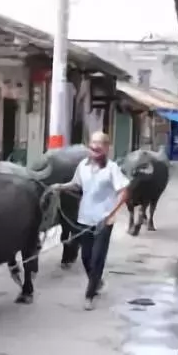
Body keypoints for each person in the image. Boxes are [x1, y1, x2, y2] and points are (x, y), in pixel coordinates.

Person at [50, 132, 130, 310]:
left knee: (97, 258)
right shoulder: (83, 166)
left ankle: (90, 295)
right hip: (84, 218)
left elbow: (124, 192)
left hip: (104, 221)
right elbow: (76, 184)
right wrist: (60, 187)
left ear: (106, 148)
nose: (95, 146)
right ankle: (96, 282)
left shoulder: (112, 168)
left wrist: (110, 215)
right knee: (86, 256)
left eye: (99, 144)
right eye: (93, 143)